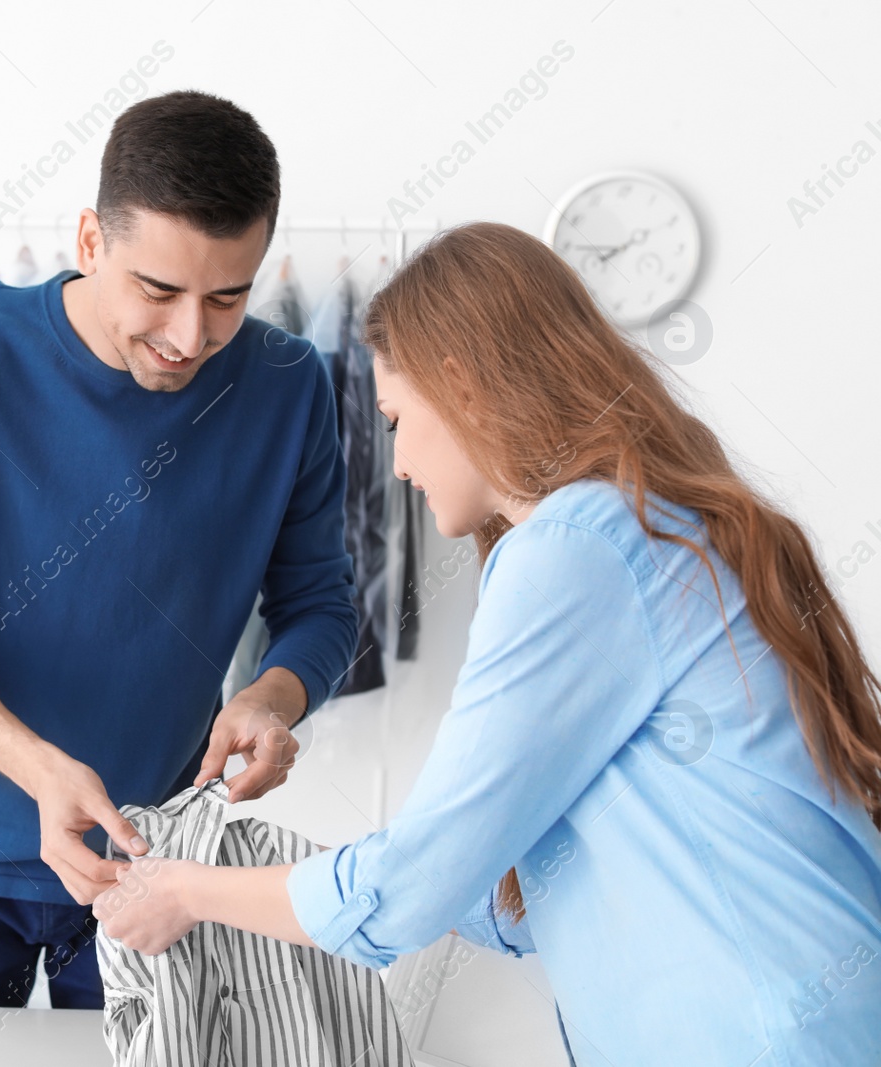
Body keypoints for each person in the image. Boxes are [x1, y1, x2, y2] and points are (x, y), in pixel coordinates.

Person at [97, 220, 881, 1064]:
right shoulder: (655, 525)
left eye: (397, 418)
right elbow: (503, 897)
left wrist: (186, 889)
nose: (395, 462)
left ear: (464, 388)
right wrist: (267, 866)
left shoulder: (581, 547)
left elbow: (408, 893)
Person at [0, 90, 360, 1008]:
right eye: (159, 291)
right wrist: (38, 768)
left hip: (157, 861)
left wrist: (268, 698)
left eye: (228, 298)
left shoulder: (289, 387)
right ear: (91, 241)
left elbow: (322, 605)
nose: (189, 337)